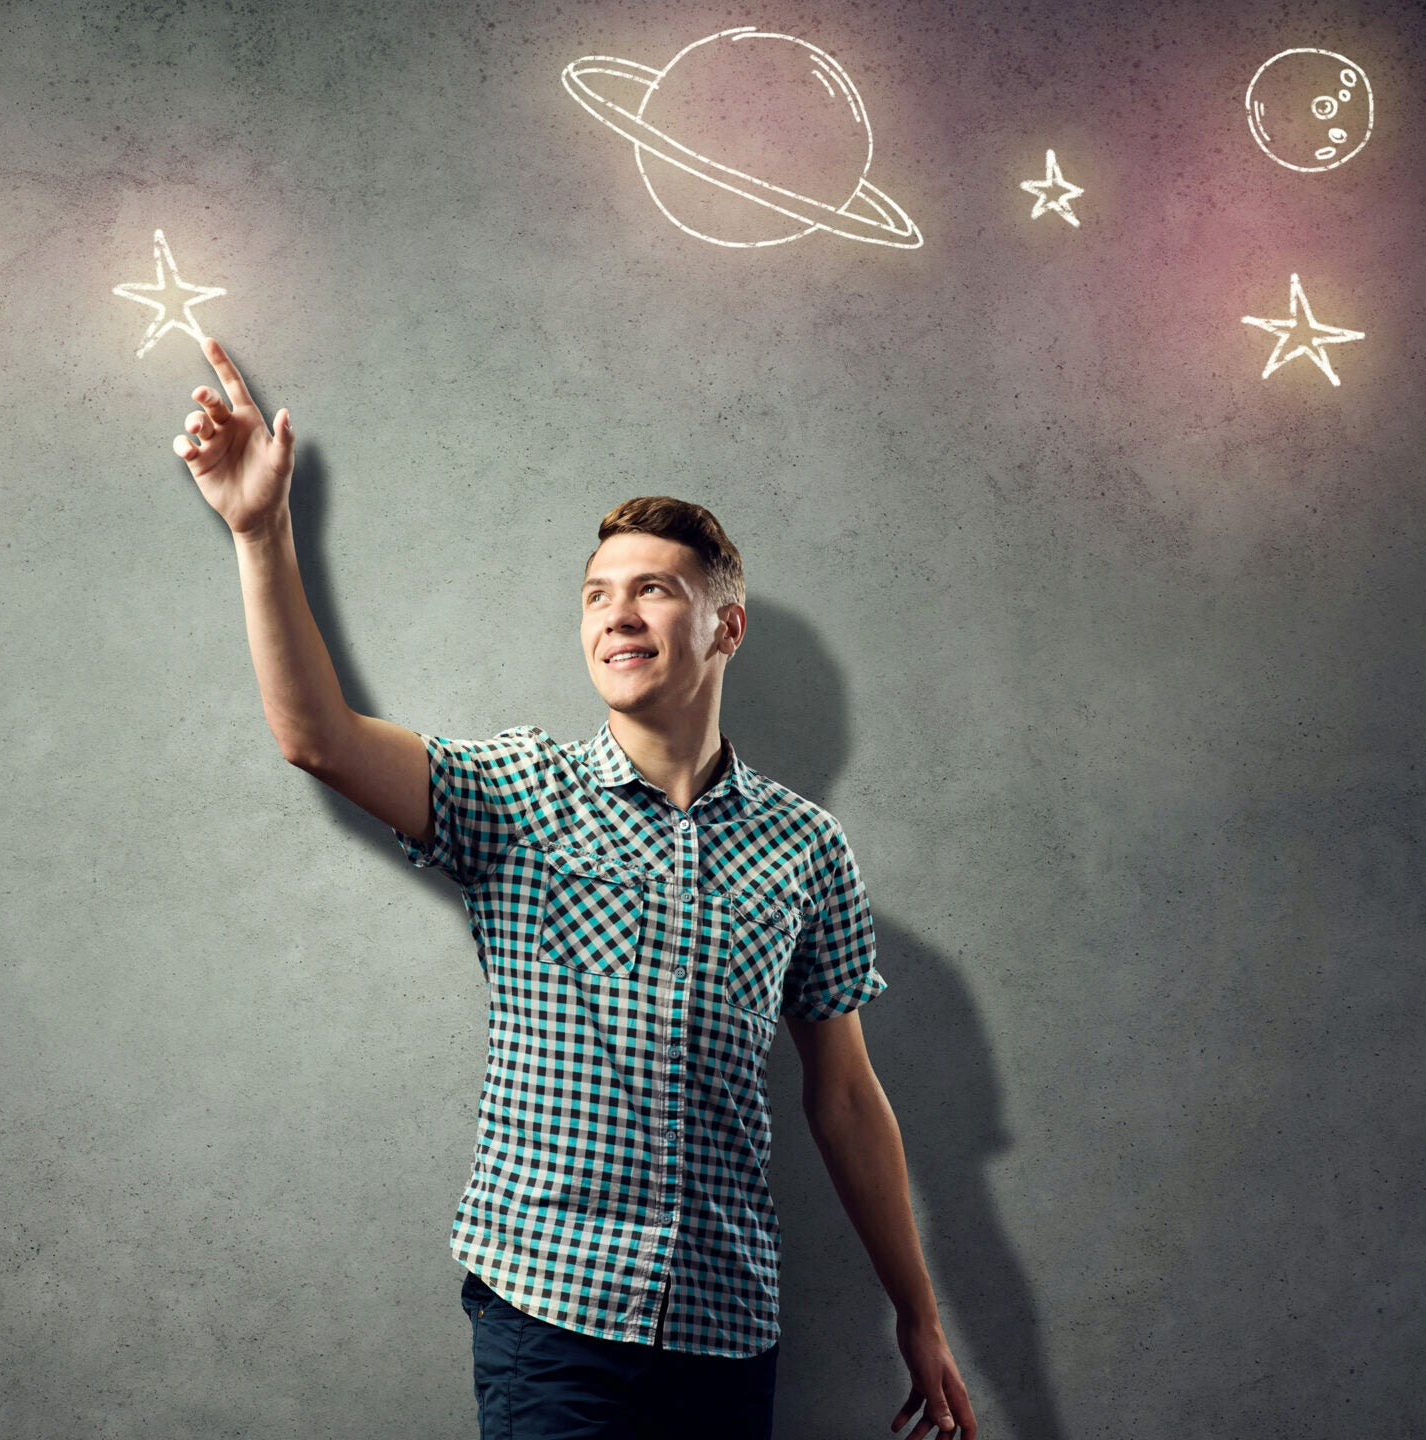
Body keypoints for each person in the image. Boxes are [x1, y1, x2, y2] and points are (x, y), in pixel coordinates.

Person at [164, 333, 979, 1440]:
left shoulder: (806, 848)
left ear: (724, 627)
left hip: (726, 1330)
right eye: (597, 594)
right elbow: (318, 737)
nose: (616, 615)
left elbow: (843, 1098)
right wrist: (260, 535)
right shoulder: (518, 790)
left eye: (653, 591)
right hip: (548, 1317)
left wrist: (919, 1317)